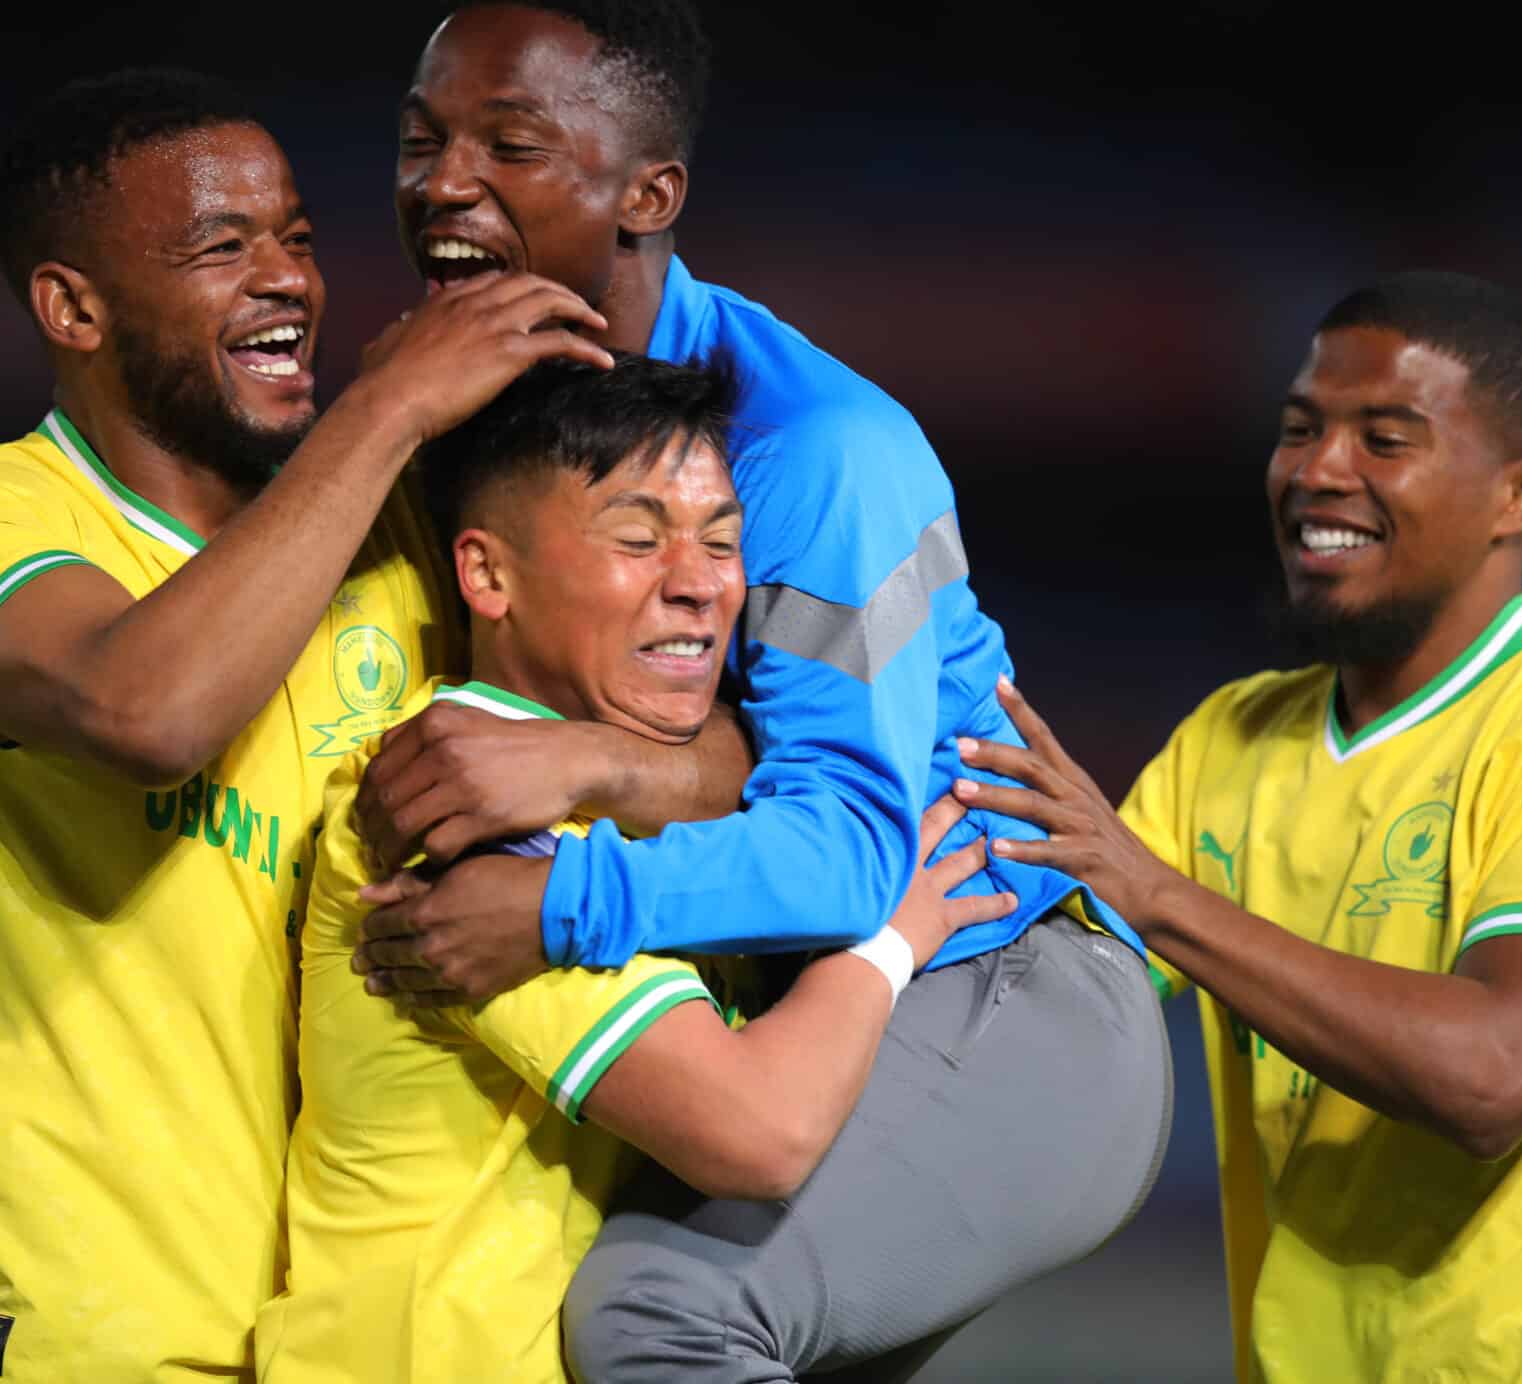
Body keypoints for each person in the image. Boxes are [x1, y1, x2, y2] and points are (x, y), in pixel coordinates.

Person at [337, 3, 1172, 1377]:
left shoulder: (815, 455)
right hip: (810, 1005)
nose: (444, 182)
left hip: (989, 987)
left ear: (647, 194)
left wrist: (562, 900)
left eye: (510, 145)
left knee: (659, 1316)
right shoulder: (456, 411)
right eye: (423, 141)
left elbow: (858, 850)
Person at [0, 67, 624, 1380]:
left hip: (345, 1345)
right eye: (223, 248)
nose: (288, 279)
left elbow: (714, 733)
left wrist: (589, 756)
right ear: (73, 306)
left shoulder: (404, 535)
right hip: (59, 1338)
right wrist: (385, 406)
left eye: (299, 239)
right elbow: (145, 707)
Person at [953, 272, 1522, 1383]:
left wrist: (1161, 897)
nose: (1318, 469)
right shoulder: (1226, 741)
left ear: (1517, 495)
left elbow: (1492, 1073)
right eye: (1298, 428)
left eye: (1383, 437)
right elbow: (1029, 1009)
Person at [257, 353, 1011, 1383]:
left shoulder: (634, 793)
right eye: (637, 539)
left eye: (721, 542)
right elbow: (758, 1130)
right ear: (486, 574)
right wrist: (889, 933)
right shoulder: (451, 813)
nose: (699, 584)